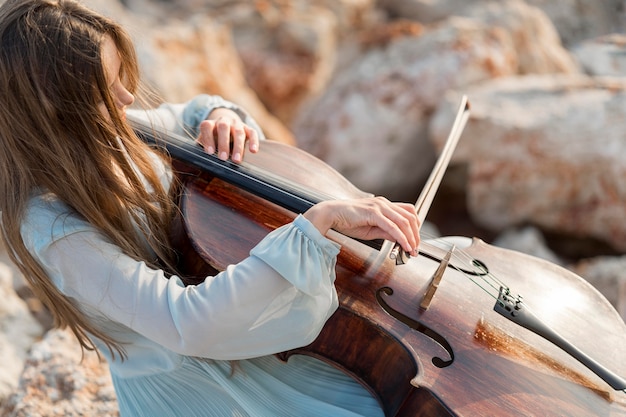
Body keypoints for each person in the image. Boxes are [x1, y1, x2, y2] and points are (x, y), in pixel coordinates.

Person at [0, 0, 420, 416]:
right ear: (52, 108)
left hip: (244, 351)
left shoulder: (113, 134)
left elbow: (193, 111)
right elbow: (187, 322)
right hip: (207, 389)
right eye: (105, 90)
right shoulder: (52, 228)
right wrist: (316, 224)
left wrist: (222, 117)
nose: (128, 98)